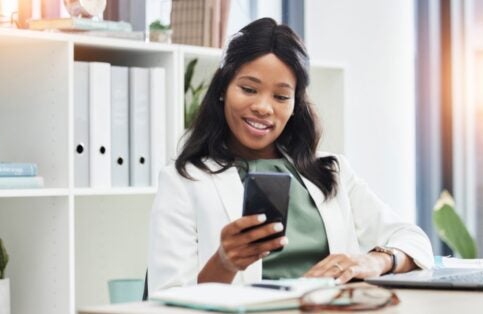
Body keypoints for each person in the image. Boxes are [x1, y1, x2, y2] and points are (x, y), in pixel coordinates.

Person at [148, 17, 433, 293]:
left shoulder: (331, 171)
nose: (263, 107)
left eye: (281, 96)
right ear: (223, 89)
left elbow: (414, 240)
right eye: (249, 89)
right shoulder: (183, 180)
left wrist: (374, 260)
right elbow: (168, 299)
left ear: (295, 104)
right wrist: (224, 262)